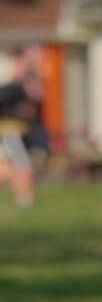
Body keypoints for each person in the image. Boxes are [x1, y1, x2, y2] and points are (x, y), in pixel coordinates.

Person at [0, 56, 44, 209]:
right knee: (20, 166)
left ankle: (24, 195)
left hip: (19, 135)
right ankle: (24, 197)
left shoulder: (23, 88)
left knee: (16, 166)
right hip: (10, 134)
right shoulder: (11, 90)